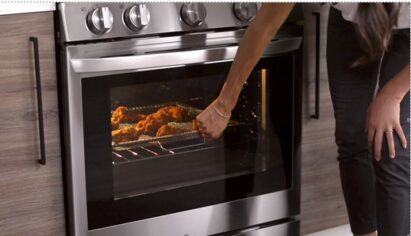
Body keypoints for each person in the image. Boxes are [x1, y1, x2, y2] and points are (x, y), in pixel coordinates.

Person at [196, 3, 410, 236]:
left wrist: (393, 95)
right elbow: (265, 26)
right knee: (351, 136)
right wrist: (223, 105)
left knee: (391, 146)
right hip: (353, 22)